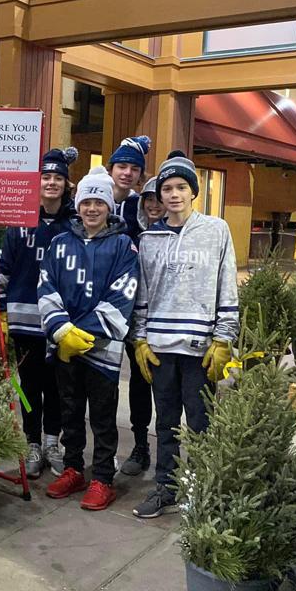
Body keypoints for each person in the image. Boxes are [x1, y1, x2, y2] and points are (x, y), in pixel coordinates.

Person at [131, 151, 238, 518]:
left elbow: (227, 286)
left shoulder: (216, 230)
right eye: (167, 189)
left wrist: (223, 338)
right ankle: (167, 487)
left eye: (181, 187)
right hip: (160, 346)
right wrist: (140, 339)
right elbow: (142, 294)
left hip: (200, 348)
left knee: (200, 421)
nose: (174, 194)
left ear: (193, 191)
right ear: (159, 194)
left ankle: (203, 487)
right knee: (165, 423)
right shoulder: (149, 239)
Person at [37, 167, 139, 510]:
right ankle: (73, 469)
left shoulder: (124, 246)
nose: (92, 208)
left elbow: (123, 294)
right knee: (69, 411)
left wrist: (84, 331)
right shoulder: (59, 243)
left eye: (99, 202)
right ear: (78, 204)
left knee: (103, 416)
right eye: (86, 202)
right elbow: (46, 286)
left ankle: (103, 478)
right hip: (65, 347)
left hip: (103, 351)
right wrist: (61, 329)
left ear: (109, 206)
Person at [0, 146, 77, 478]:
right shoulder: (19, 222)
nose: (52, 182)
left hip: (60, 324)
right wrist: (2, 313)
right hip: (24, 322)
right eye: (46, 177)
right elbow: (3, 271)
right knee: (29, 386)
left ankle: (52, 442)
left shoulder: (74, 226)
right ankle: (32, 442)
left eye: (58, 177)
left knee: (57, 386)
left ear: (66, 184)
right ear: (37, 182)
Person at [106, 134, 155, 478]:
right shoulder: (96, 200)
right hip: (105, 308)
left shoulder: (144, 207)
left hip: (140, 310)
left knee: (140, 378)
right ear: (111, 168)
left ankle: (141, 444)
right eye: (121, 166)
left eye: (133, 168)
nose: (127, 172)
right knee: (104, 379)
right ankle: (103, 447)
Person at [118, 175, 164, 479]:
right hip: (136, 326)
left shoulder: (180, 236)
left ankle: (170, 454)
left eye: (159, 199)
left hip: (168, 327)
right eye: (149, 199)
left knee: (167, 392)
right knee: (138, 385)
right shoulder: (134, 237)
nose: (154, 205)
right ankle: (140, 445)